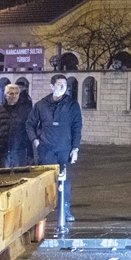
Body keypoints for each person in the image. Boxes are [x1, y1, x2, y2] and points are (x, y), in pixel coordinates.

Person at [27, 74, 83, 221]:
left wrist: (75, 149)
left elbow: (77, 128)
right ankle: (41, 211)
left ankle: (65, 210)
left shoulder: (72, 105)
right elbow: (30, 124)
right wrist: (35, 140)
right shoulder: (41, 105)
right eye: (59, 84)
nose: (63, 87)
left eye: (65, 84)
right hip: (46, 149)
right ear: (52, 86)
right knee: (44, 180)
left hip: (64, 150)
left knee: (65, 181)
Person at [0, 83, 33, 168]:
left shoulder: (26, 110)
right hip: (2, 150)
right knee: (1, 177)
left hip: (19, 150)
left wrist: (25, 140)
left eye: (16, 93)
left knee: (19, 177)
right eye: (11, 93)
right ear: (5, 95)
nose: (14, 96)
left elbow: (30, 127)